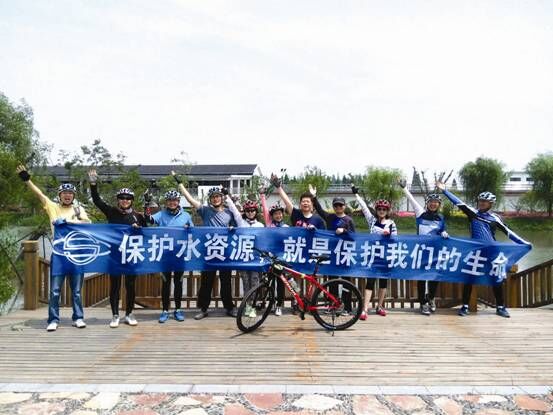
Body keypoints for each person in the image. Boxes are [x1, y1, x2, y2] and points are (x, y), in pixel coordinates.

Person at [436, 181, 531, 318]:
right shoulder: (473, 213)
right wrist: (445, 191)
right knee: (469, 279)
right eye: (480, 201)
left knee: (496, 279)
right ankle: (465, 306)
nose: (481, 203)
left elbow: (509, 233)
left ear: (491, 204)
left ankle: (500, 307)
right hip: (475, 252)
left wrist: (524, 243)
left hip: (492, 252)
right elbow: (458, 202)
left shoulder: (495, 218)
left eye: (485, 202)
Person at [16, 165, 91, 332]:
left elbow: (88, 224)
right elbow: (40, 195)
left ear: (73, 196)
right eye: (64, 193)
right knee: (55, 290)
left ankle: (78, 317)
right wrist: (27, 180)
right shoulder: (53, 207)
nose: (67, 195)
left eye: (70, 193)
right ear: (59, 195)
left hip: (76, 254)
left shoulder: (78, 209)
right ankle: (53, 319)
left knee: (76, 290)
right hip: (59, 254)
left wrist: (70, 222)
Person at [172, 171, 238, 320]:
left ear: (221, 198)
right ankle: (203, 308)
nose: (215, 199)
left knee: (226, 282)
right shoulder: (205, 210)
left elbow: (237, 227)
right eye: (213, 197)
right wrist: (179, 183)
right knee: (206, 282)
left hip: (225, 252)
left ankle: (229, 307)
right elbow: (190, 199)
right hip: (209, 251)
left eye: (218, 196)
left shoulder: (229, 213)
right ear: (210, 199)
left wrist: (232, 228)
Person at [88, 169, 147, 328]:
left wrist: (138, 229)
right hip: (114, 255)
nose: (125, 200)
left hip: (131, 254)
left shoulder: (137, 216)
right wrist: (93, 184)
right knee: (114, 286)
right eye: (122, 198)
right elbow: (97, 201)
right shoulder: (111, 212)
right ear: (118, 200)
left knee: (130, 286)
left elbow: (147, 234)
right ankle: (115, 315)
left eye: (128, 198)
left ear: (132, 200)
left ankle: (129, 313)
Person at [399, 179, 448, 315]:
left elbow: (442, 231)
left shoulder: (441, 218)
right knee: (422, 278)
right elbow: (412, 199)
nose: (433, 204)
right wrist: (404, 188)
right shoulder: (421, 213)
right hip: (421, 252)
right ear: (427, 203)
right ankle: (422, 303)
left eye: (436, 202)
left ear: (439, 204)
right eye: (431, 202)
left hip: (435, 252)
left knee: (434, 277)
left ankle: (431, 298)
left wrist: (444, 233)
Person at [145, 190, 194, 323]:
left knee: (178, 283)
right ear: (166, 202)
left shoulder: (186, 215)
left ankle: (178, 309)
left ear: (178, 201)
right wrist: (147, 205)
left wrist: (188, 227)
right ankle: (165, 310)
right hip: (165, 254)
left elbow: (193, 232)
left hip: (179, 254)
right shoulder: (161, 214)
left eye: (175, 200)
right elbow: (149, 220)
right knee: (166, 283)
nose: (172, 202)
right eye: (170, 200)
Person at [309, 184, 356, 314]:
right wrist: (314, 197)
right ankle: (332, 305)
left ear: (344, 206)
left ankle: (347, 307)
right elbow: (319, 210)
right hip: (332, 254)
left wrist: (344, 231)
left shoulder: (349, 220)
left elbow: (354, 237)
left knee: (346, 282)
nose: (338, 207)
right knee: (332, 281)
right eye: (336, 205)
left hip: (345, 254)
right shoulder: (330, 217)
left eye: (340, 205)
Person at [352, 185, 397, 319]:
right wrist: (356, 195)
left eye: (384, 209)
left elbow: (396, 240)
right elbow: (364, 208)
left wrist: (389, 235)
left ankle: (380, 306)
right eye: (379, 209)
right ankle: (365, 309)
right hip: (373, 256)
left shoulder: (391, 223)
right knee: (370, 282)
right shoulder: (372, 221)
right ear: (376, 210)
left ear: (387, 211)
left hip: (385, 256)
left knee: (383, 283)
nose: (381, 211)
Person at [225, 196, 264, 318]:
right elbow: (234, 210)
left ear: (256, 212)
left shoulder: (260, 225)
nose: (250, 213)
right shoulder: (241, 223)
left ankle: (253, 306)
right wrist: (227, 196)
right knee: (246, 283)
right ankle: (247, 305)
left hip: (255, 260)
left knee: (255, 283)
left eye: (253, 210)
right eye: (248, 211)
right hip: (243, 259)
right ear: (245, 212)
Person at [259, 189, 288, 315]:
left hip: (281, 259)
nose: (278, 215)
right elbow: (265, 211)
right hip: (270, 258)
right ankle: (271, 303)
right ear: (272, 216)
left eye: (280, 213)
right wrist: (262, 195)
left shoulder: (287, 227)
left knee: (280, 283)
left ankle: (279, 305)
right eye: (276, 214)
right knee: (270, 282)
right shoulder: (269, 224)